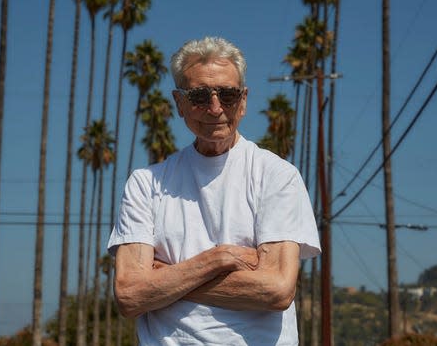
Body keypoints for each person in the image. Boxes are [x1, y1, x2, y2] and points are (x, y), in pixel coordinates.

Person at [107, 36, 321, 345]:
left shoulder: (276, 175)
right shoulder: (145, 184)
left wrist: (167, 279)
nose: (215, 107)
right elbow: (129, 295)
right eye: (200, 96)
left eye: (228, 94)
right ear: (180, 103)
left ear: (243, 101)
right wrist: (219, 259)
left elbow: (276, 290)